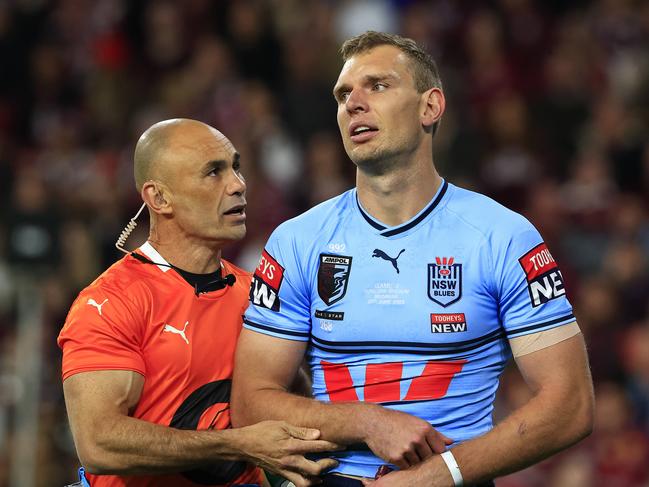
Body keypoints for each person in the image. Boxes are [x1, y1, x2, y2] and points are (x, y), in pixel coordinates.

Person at [231, 32, 594, 487]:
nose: (354, 104)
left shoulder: (503, 237)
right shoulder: (296, 242)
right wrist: (368, 422)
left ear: (430, 107)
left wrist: (443, 473)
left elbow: (571, 405)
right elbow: (250, 403)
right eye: (344, 94)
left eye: (378, 85)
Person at [57, 119, 339, 487]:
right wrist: (236, 444)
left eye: (235, 167)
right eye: (213, 172)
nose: (238, 185)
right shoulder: (109, 302)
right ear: (159, 198)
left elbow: (300, 403)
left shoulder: (256, 293)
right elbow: (98, 444)